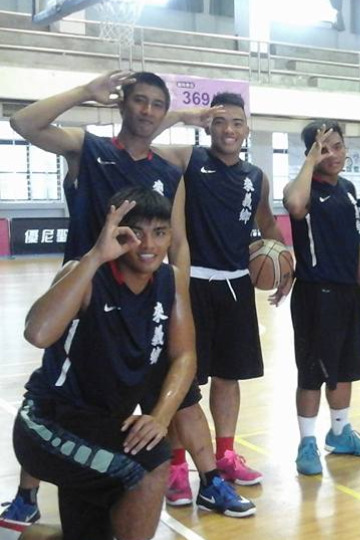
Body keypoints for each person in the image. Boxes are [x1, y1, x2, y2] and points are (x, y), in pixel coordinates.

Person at [5, 70, 253, 520]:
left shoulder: (168, 169)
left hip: (148, 300)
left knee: (182, 393)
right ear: (122, 104)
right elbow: (23, 123)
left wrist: (178, 292)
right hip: (85, 297)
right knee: (62, 395)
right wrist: (85, 92)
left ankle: (211, 481)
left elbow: (179, 241)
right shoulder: (90, 148)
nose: (147, 111)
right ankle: (27, 496)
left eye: (157, 105)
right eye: (140, 101)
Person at [12, 187, 195, 540]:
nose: (148, 244)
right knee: (150, 463)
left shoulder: (172, 281)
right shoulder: (84, 274)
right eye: (136, 232)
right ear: (117, 232)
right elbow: (37, 333)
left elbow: (185, 355)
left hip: (105, 428)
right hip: (48, 422)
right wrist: (95, 255)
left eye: (159, 233)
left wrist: (161, 416)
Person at [169, 91, 290, 515]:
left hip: (236, 285)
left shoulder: (256, 176)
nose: (229, 130)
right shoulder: (189, 160)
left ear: (247, 129)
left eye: (236, 122)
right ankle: (176, 466)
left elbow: (267, 221)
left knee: (228, 376)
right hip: (191, 282)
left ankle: (224, 454)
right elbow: (143, 143)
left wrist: (286, 265)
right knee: (183, 382)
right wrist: (181, 115)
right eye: (220, 121)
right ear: (208, 126)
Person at [283, 120, 360, 475]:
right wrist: (311, 160)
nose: (333, 154)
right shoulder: (301, 187)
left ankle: (340, 433)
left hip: (347, 292)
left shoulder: (348, 189)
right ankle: (306, 442)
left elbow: (353, 245)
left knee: (344, 369)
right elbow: (295, 206)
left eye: (338, 146)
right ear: (310, 153)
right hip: (315, 295)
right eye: (324, 148)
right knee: (311, 374)